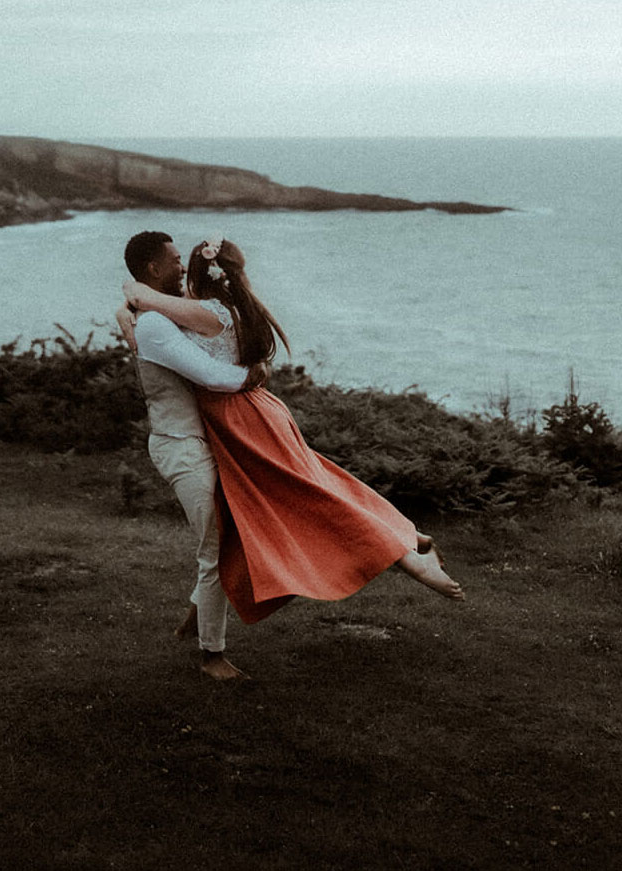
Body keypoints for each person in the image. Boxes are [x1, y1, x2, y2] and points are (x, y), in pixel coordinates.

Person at [122, 234, 464, 627]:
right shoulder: (232, 308)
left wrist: (134, 294)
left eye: (186, 264)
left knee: (312, 500)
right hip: (257, 415)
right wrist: (128, 305)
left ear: (203, 275)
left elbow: (176, 334)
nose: (181, 271)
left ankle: (408, 557)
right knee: (321, 487)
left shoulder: (207, 312)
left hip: (243, 420)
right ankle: (408, 537)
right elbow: (153, 311)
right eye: (176, 262)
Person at [118, 231, 268, 681]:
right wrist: (252, 375)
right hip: (181, 446)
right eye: (175, 260)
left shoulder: (158, 314)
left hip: (202, 442)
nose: (183, 267)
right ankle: (212, 655)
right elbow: (209, 375)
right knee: (216, 549)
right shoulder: (154, 325)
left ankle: (195, 621)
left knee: (222, 541)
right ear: (152, 270)